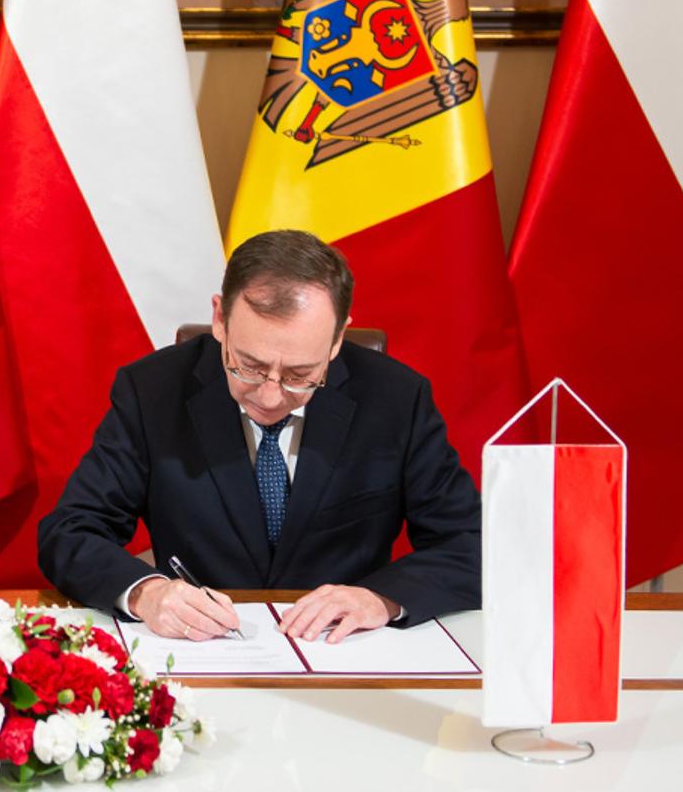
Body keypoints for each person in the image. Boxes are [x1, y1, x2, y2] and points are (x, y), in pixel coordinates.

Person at [37, 229, 480, 644]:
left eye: (300, 374)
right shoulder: (152, 391)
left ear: (337, 339)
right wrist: (147, 593)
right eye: (247, 366)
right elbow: (70, 532)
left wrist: (381, 598)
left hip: (342, 653)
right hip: (203, 651)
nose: (270, 395)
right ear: (219, 320)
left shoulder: (397, 400)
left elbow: (471, 545)